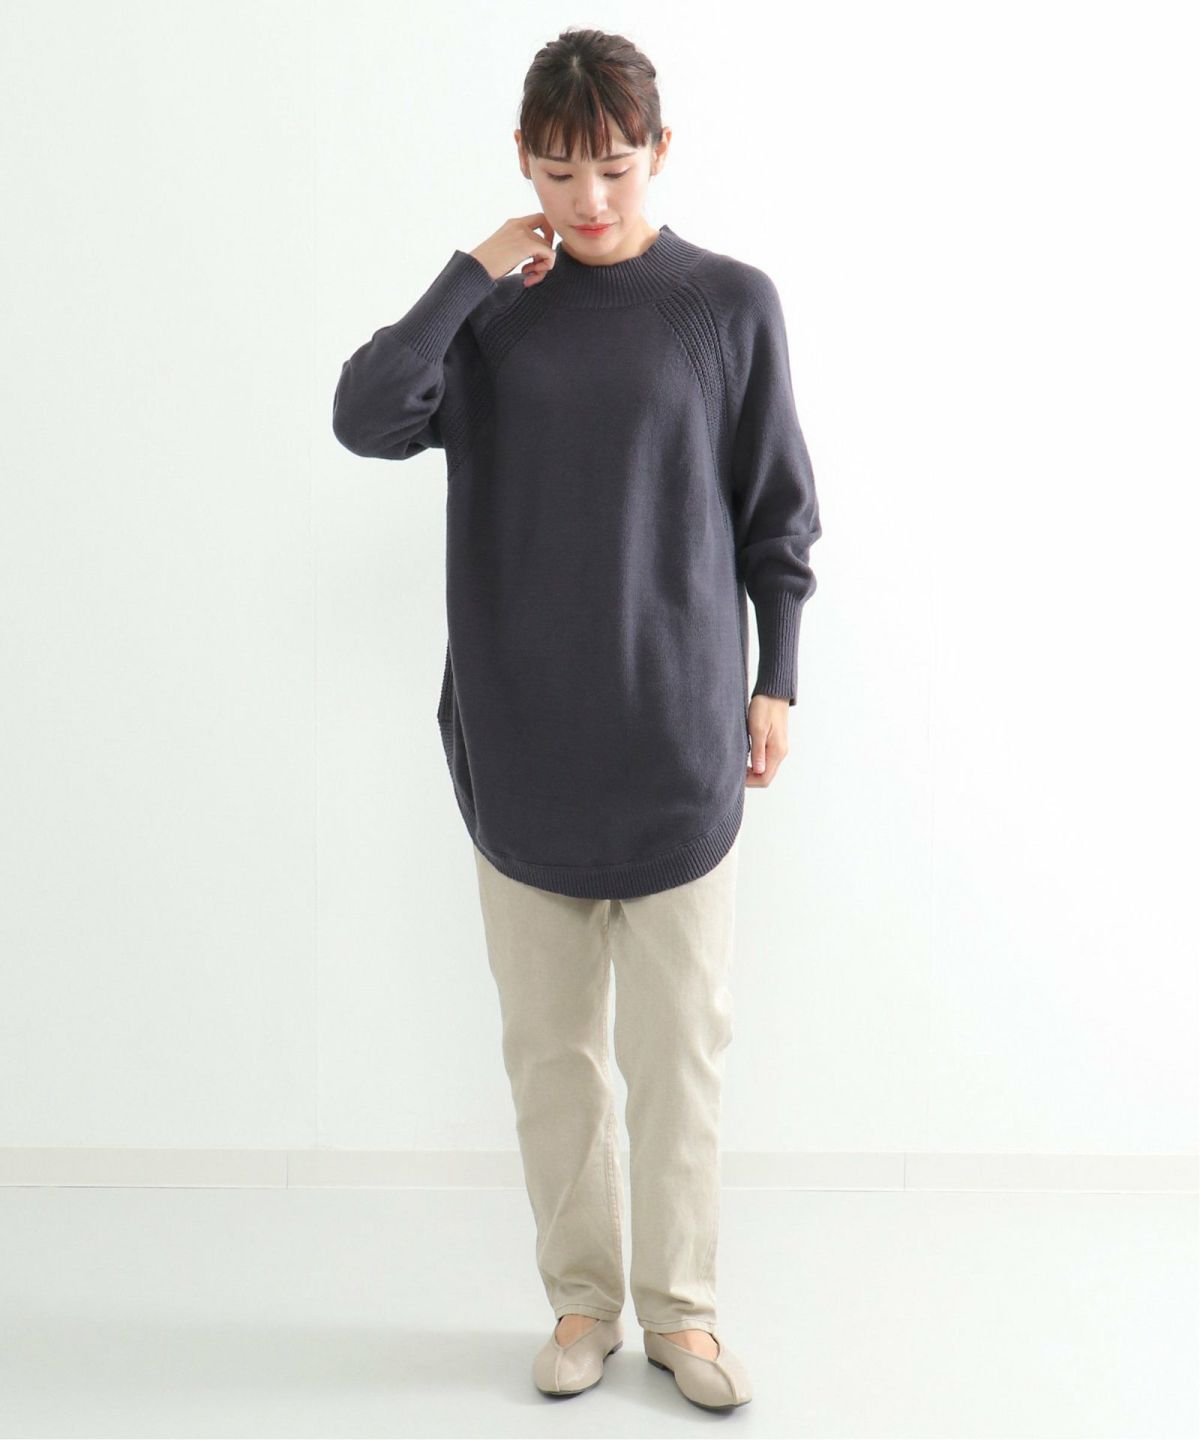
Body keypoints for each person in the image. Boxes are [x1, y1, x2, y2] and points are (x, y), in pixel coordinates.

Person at [331, 26, 821, 1413]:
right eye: (557, 172)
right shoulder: (492, 316)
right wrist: (471, 272)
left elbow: (778, 512)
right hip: (522, 745)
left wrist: (776, 676)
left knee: (681, 1059)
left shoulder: (726, 306)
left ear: (659, 150)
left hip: (677, 743)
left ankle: (685, 1317)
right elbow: (366, 416)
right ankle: (582, 1305)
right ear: (522, 163)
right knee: (553, 1062)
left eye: (613, 167)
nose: (588, 199)